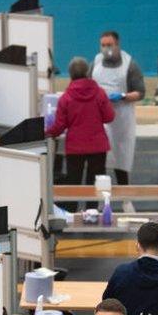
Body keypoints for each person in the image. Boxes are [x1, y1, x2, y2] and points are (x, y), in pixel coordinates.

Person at [46, 57, 115, 210]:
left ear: (70, 75)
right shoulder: (100, 93)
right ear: (88, 72)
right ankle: (92, 211)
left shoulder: (66, 98)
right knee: (95, 182)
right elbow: (109, 117)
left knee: (74, 182)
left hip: (75, 147)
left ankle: (72, 213)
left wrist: (46, 132)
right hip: (98, 146)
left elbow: (60, 126)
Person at [91, 31, 145, 189]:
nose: (106, 48)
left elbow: (140, 92)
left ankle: (125, 197)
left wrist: (123, 96)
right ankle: (99, 200)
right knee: (99, 161)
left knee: (121, 159)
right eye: (103, 45)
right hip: (99, 119)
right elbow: (88, 83)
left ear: (117, 45)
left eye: (110, 45)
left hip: (122, 118)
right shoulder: (95, 62)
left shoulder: (130, 64)